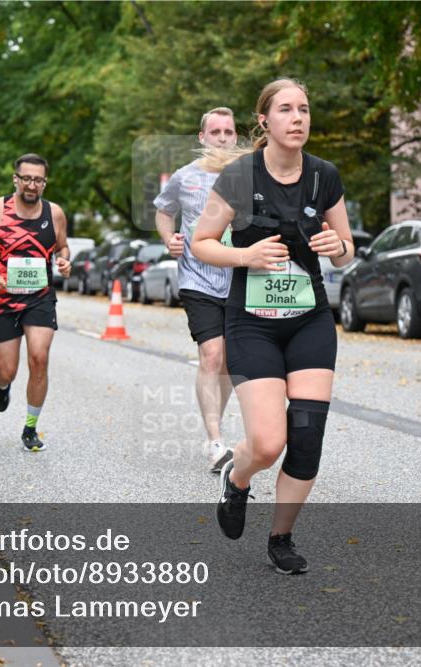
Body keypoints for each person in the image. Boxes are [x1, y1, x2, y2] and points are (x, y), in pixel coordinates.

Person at [191, 78, 354, 574]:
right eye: (286, 109)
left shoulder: (324, 176)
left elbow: (347, 251)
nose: (298, 118)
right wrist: (246, 254)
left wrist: (337, 249)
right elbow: (202, 242)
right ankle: (237, 482)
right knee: (267, 443)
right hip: (253, 324)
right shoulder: (240, 176)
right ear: (264, 121)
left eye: (304, 109)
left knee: (306, 439)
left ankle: (281, 537)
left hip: (309, 321)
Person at [154, 107, 238, 473]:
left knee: (231, 366)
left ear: (236, 137)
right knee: (212, 355)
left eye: (229, 132)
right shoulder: (184, 178)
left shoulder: (248, 176)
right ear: (202, 138)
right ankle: (217, 442)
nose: (222, 137)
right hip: (197, 278)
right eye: (215, 131)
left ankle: (212, 426)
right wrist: (168, 238)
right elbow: (163, 210)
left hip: (239, 279)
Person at [0, 154, 70, 452]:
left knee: (39, 358)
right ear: (16, 179)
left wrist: (64, 260)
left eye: (38, 179)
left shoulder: (55, 213)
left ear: (44, 183)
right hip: (2, 299)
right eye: (26, 178)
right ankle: (1, 385)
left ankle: (30, 428)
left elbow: (62, 245)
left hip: (39, 297)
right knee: (7, 370)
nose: (31, 184)